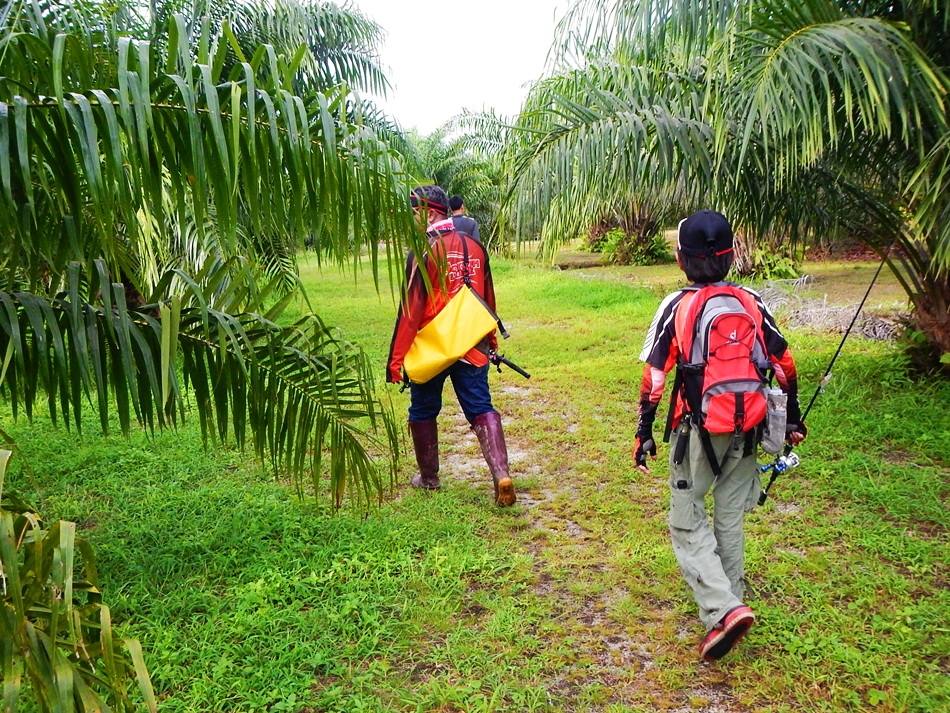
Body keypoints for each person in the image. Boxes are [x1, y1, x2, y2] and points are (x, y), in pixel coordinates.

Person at [634, 210, 807, 661]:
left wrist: (644, 431)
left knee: (686, 517)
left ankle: (724, 608)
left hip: (698, 429)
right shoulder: (751, 301)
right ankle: (731, 602)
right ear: (731, 257)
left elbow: (655, 378)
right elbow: (784, 364)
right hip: (748, 426)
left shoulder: (677, 305)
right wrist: (791, 420)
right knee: (729, 516)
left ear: (680, 259)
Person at [387, 185, 516, 506]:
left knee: (422, 409)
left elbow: (411, 310)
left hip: (434, 347)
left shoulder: (423, 250)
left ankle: (429, 478)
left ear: (429, 213)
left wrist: (395, 361)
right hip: (471, 344)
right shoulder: (475, 246)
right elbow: (488, 300)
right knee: (481, 408)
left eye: (413, 213)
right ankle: (501, 474)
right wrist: (490, 341)